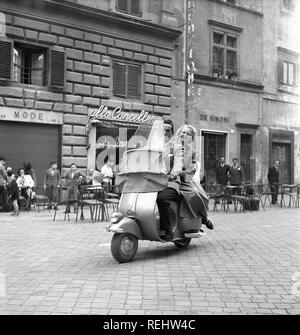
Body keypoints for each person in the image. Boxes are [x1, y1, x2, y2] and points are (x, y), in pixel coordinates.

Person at [175, 125, 214, 230]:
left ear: (191, 138)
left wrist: (179, 173)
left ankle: (203, 218)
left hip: (184, 180)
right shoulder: (172, 147)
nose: (184, 135)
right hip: (170, 179)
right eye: (182, 132)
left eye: (187, 133)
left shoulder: (192, 152)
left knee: (195, 194)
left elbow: (191, 170)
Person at [156, 120, 185, 240]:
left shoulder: (177, 148)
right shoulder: (154, 147)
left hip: (171, 182)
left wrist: (173, 174)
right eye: (163, 130)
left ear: (172, 132)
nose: (165, 133)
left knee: (161, 199)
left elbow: (178, 164)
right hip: (154, 182)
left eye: (168, 130)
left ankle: (167, 229)